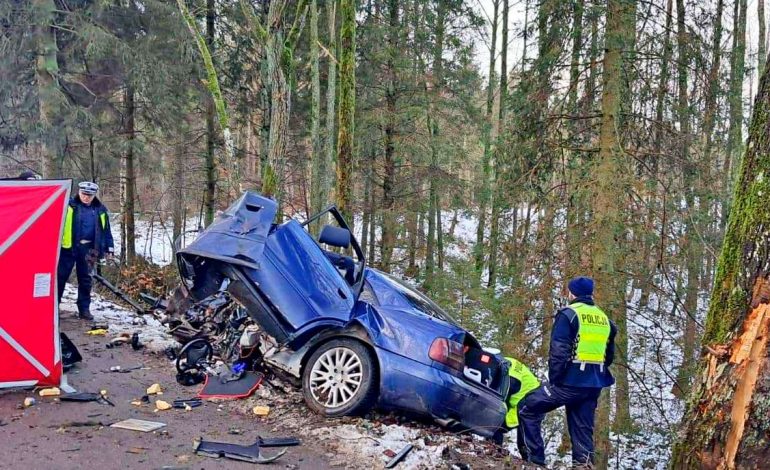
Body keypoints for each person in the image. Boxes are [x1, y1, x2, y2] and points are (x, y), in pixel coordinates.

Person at [518, 276, 617, 468]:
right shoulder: (605, 319)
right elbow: (609, 357)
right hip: (594, 385)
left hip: (569, 382)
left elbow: (559, 351)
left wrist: (555, 379)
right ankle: (584, 465)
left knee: (527, 408)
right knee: (582, 430)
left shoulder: (569, 314)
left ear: (572, 292)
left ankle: (534, 462)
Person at [57, 181, 114, 320]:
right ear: (79, 192)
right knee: (60, 277)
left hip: (89, 249)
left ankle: (84, 309)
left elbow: (106, 230)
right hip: (68, 247)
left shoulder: (100, 209)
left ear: (94, 195)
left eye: (89, 195)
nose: (86, 197)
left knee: (86, 279)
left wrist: (109, 248)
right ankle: (54, 306)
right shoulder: (69, 205)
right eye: (83, 194)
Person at [493, 356, 540, 462]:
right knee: (496, 425)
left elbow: (502, 399)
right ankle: (495, 448)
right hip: (525, 399)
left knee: (525, 437)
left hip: (530, 399)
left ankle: (533, 461)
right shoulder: (506, 362)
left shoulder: (509, 377)